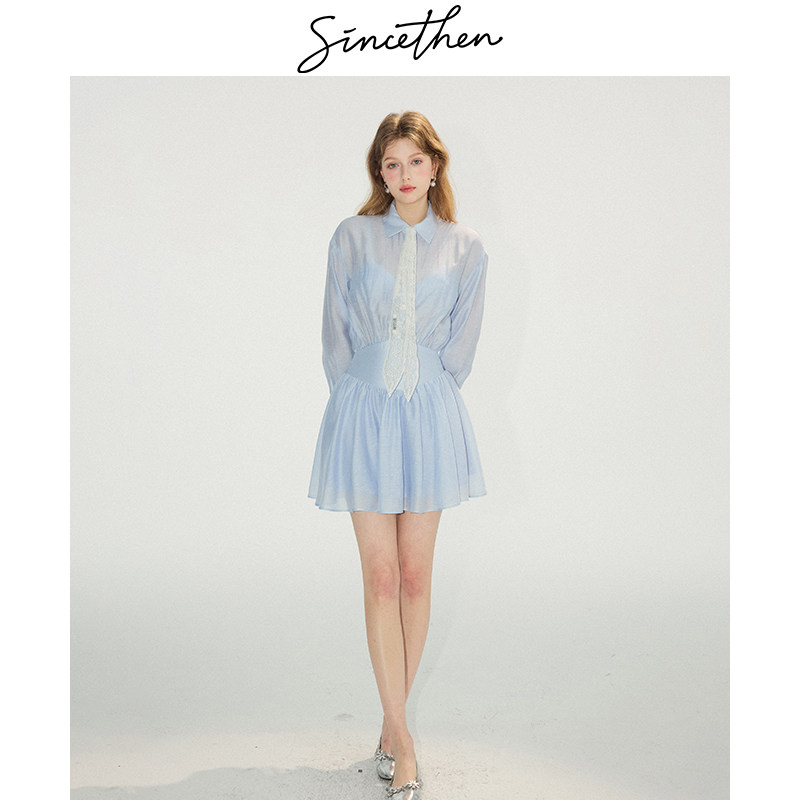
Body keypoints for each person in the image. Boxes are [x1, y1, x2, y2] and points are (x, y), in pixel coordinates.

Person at [308, 111, 488, 800]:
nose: (404, 175)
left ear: (435, 167)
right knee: (380, 578)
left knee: (415, 577)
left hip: (430, 415)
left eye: (415, 161)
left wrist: (426, 394)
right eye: (391, 164)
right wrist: (361, 398)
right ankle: (404, 742)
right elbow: (335, 335)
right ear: (379, 174)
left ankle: (391, 727)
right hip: (363, 410)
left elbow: (462, 349)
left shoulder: (466, 247)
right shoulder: (351, 237)